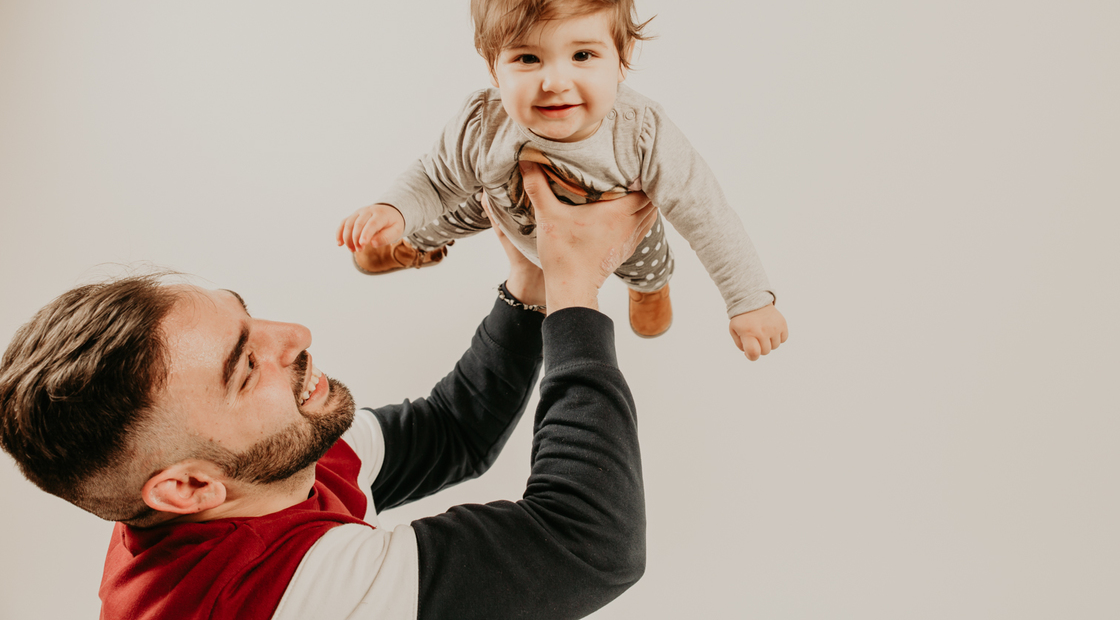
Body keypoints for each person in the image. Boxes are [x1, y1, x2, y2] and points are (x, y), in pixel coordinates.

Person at [0, 164, 655, 620]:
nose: (296, 335)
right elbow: (593, 544)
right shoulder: (282, 599)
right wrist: (577, 290)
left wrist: (532, 289)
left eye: (247, 315)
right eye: (246, 368)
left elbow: (455, 431)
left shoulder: (256, 459)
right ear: (190, 488)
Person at [335, 0, 788, 360]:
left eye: (583, 55)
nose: (554, 82)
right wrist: (392, 208)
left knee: (646, 254)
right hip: (506, 204)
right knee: (451, 202)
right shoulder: (483, 124)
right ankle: (409, 245)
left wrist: (749, 300)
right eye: (527, 58)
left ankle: (650, 292)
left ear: (622, 58)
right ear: (494, 68)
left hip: (612, 227)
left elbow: (707, 213)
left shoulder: (641, 133)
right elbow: (435, 176)